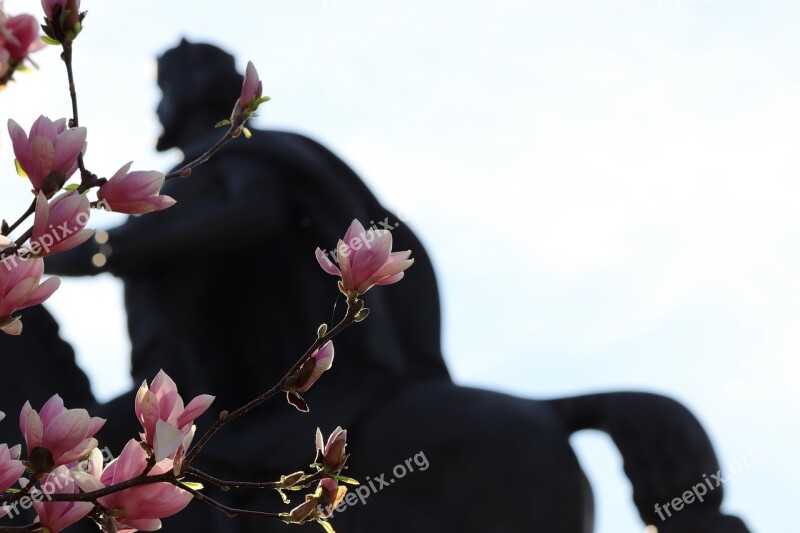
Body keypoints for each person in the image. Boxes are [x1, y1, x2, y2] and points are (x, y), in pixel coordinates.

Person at [28, 38, 750, 532]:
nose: (159, 109)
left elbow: (249, 216)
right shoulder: (262, 157)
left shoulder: (231, 160)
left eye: (163, 94)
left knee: (112, 476)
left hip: (275, 392)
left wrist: (97, 249)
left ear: (182, 101)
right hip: (305, 375)